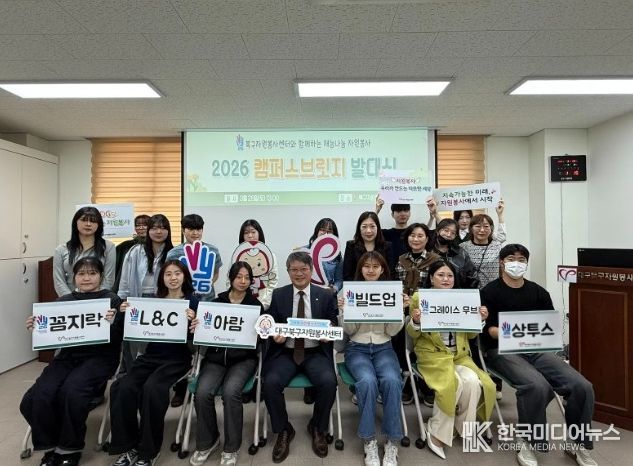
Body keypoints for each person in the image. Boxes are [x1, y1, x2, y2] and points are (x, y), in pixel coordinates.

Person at [480, 244, 597, 466]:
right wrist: (511, 334)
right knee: (536, 385)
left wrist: (539, 337)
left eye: (521, 259)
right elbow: (488, 330)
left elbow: (548, 327)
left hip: (537, 350)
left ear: (527, 263)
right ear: (502, 263)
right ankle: (528, 440)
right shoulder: (489, 292)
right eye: (511, 259)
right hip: (501, 350)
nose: (516, 263)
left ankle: (577, 443)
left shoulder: (538, 292)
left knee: (582, 386)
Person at [21, 257, 123, 466]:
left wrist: (114, 321)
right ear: (73, 277)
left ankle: (69, 449)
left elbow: (119, 336)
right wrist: (37, 327)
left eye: (92, 273)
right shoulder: (63, 301)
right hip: (67, 357)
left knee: (73, 392)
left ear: (101, 276)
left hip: (100, 357)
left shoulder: (111, 300)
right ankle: (50, 446)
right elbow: (51, 336)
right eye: (81, 274)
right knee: (35, 397)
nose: (87, 278)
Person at [110, 260, 198, 466]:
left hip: (177, 358)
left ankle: (148, 450)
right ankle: (128, 446)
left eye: (177, 273)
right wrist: (124, 313)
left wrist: (194, 324)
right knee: (122, 387)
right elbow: (132, 329)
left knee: (152, 389)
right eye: (168, 274)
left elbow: (197, 342)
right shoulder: (152, 301)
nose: (173, 278)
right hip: (150, 356)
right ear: (162, 278)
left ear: (184, 276)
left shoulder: (193, 303)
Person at [407, 260, 495, 460]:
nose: (446, 279)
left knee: (473, 382)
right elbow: (412, 334)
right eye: (440, 275)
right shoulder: (420, 297)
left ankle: (462, 427)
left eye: (450, 276)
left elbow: (471, 336)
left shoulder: (464, 298)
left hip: (459, 356)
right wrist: (416, 321)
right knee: (453, 383)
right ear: (431, 278)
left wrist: (480, 320)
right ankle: (437, 431)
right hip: (432, 356)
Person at [262, 251, 338, 463]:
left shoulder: (325, 295)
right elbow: (271, 323)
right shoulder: (279, 294)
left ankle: (317, 427)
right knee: (270, 383)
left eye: (303, 269)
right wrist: (274, 335)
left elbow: (333, 322)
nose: (299, 274)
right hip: (286, 352)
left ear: (311, 270)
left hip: (315, 352)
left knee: (329, 382)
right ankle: (284, 429)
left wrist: (329, 331)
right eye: (294, 270)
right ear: (288, 272)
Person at [189, 262, 263, 466]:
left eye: (247, 278)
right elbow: (203, 333)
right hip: (215, 358)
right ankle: (208, 441)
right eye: (239, 277)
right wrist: (197, 327)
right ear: (231, 278)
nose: (243, 281)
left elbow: (260, 339)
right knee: (202, 392)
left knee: (231, 392)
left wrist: (262, 331)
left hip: (243, 360)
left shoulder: (255, 305)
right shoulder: (215, 302)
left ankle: (231, 447)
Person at [339, 251, 404, 466]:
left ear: (382, 269)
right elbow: (349, 331)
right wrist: (345, 312)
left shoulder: (391, 291)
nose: (371, 270)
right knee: (367, 382)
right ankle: (369, 441)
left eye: (375, 266)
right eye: (366, 266)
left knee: (392, 381)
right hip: (357, 348)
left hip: (384, 347)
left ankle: (392, 441)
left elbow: (392, 332)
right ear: (361, 269)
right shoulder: (349, 290)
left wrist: (398, 310)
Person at [117, 214, 173, 375]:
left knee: (156, 341)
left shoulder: (173, 253)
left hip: (163, 301)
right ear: (148, 231)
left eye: (162, 228)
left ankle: (153, 375)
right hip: (137, 299)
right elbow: (125, 278)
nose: (158, 232)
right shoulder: (135, 251)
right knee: (134, 342)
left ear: (168, 231)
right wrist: (122, 300)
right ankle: (131, 375)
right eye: (154, 228)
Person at [394, 222, 441, 405]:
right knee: (402, 349)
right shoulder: (400, 259)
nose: (416, 239)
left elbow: (440, 286)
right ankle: (407, 386)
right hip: (402, 311)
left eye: (420, 236)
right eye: (412, 235)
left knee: (423, 349)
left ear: (427, 239)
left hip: (426, 313)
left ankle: (426, 386)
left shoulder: (436, 260)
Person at [53, 206, 116, 297]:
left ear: (99, 225)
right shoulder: (61, 249)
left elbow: (109, 279)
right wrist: (71, 300)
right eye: (84, 220)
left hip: (99, 299)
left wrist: (98, 299)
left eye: (93, 221)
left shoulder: (108, 247)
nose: (88, 224)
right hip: (70, 300)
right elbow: (59, 281)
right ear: (76, 222)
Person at [167, 214, 223, 301]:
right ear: (183, 230)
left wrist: (205, 284)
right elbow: (169, 275)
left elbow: (215, 273)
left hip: (207, 298)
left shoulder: (212, 250)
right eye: (191, 229)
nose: (195, 233)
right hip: (182, 299)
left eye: (198, 229)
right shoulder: (173, 253)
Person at [236, 219, 278, 310]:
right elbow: (230, 279)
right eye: (246, 233)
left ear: (259, 234)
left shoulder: (270, 256)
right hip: (240, 304)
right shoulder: (237, 255)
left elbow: (273, 282)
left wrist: (264, 303)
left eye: (253, 232)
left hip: (263, 303)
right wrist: (236, 301)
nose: (250, 235)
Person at [459, 212, 507, 289]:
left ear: (491, 229)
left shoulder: (498, 246)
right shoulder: (463, 247)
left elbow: (502, 270)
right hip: (469, 290)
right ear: (471, 228)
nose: (482, 230)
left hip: (493, 290)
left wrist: (500, 214)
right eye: (478, 226)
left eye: (486, 226)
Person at [428, 218, 479, 289]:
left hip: (457, 293)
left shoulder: (461, 253)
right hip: (429, 293)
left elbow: (472, 277)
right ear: (437, 231)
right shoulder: (428, 251)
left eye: (453, 233)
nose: (449, 234)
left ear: (455, 236)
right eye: (446, 230)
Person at [343, 211, 394, 281]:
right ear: (359, 228)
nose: (368, 231)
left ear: (378, 228)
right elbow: (347, 275)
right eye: (364, 227)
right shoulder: (351, 246)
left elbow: (390, 273)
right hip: (357, 286)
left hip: (382, 286)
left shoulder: (387, 246)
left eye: (372, 226)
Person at [305, 217, 344, 294]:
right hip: (307, 293)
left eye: (329, 231)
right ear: (317, 232)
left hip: (327, 294)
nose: (325, 233)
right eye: (322, 230)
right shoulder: (304, 251)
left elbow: (339, 280)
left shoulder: (337, 255)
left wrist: (334, 289)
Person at [113, 214, 150, 293]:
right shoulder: (124, 246)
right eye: (138, 225)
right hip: (127, 287)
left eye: (145, 225)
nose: (141, 228)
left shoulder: (156, 245)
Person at [375, 196, 411, 261]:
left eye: (405, 210)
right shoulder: (386, 234)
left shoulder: (414, 232)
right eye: (398, 211)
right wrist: (377, 210)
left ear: (410, 213)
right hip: (390, 267)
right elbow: (371, 230)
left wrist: (431, 216)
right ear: (392, 214)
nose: (403, 214)